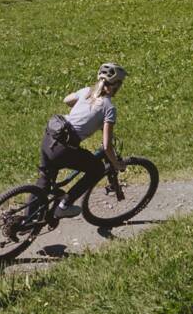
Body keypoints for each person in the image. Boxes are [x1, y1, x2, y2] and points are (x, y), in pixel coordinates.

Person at [39, 63, 127, 218]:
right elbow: (107, 146)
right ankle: (64, 205)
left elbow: (67, 100)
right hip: (63, 149)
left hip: (49, 138)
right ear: (116, 85)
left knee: (44, 181)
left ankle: (27, 221)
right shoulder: (109, 108)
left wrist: (83, 109)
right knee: (97, 169)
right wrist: (116, 163)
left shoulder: (87, 91)